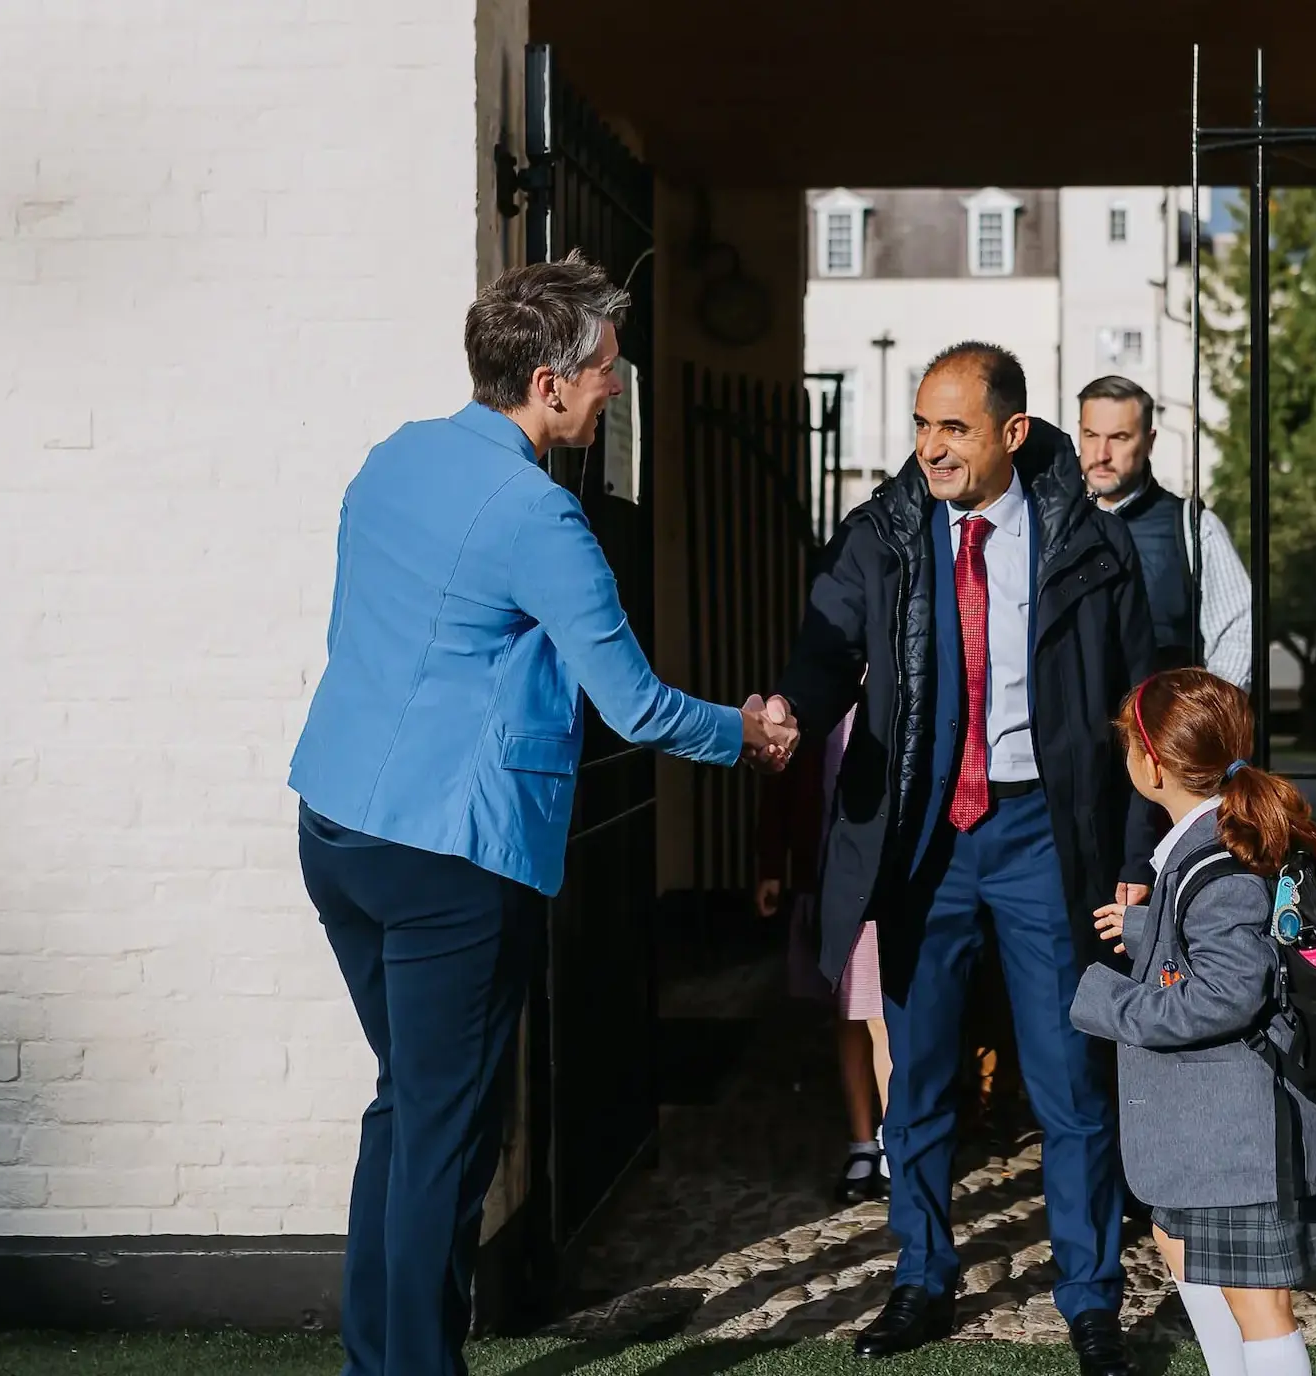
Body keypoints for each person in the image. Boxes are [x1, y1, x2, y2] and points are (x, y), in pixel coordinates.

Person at [287, 252, 798, 1376]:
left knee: (411, 1108)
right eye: (608, 369)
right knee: (448, 1131)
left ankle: (381, 1360)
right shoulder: (539, 518)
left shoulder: (393, 459)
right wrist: (752, 734)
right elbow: (639, 704)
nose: (617, 386)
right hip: (446, 856)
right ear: (551, 383)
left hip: (338, 823)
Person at [770, 342, 1163, 1376]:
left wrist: (1132, 853)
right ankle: (922, 1276)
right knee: (923, 1074)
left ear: (1010, 433)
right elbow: (826, 650)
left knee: (1070, 1075)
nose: (930, 447)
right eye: (920, 424)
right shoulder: (884, 533)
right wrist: (790, 713)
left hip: (1046, 834)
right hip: (923, 841)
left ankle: (1089, 1299)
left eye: (953, 427)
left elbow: (1139, 707)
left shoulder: (1087, 541)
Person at [1070, 669, 1316, 1376]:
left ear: (1152, 763)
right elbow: (1238, 941)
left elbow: (1227, 993)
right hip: (1213, 1137)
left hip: (1239, 1135)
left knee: (1259, 1307)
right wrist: (1151, 930)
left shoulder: (1215, 856)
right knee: (1191, 1262)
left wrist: (1109, 1003)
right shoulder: (1216, 839)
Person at [754, 695, 893, 1203]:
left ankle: (892, 1142)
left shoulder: (902, 684)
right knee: (848, 1016)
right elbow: (779, 779)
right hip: (822, 876)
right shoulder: (808, 700)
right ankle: (862, 1142)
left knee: (882, 1017)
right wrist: (771, 864)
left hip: (881, 883)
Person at [1074, 375, 1254, 691]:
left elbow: (1239, 633)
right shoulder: (1043, 517)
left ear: (1149, 442)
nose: (1101, 453)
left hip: (1156, 734)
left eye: (1119, 437)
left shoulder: (1193, 527)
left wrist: (1201, 721)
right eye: (1090, 435)